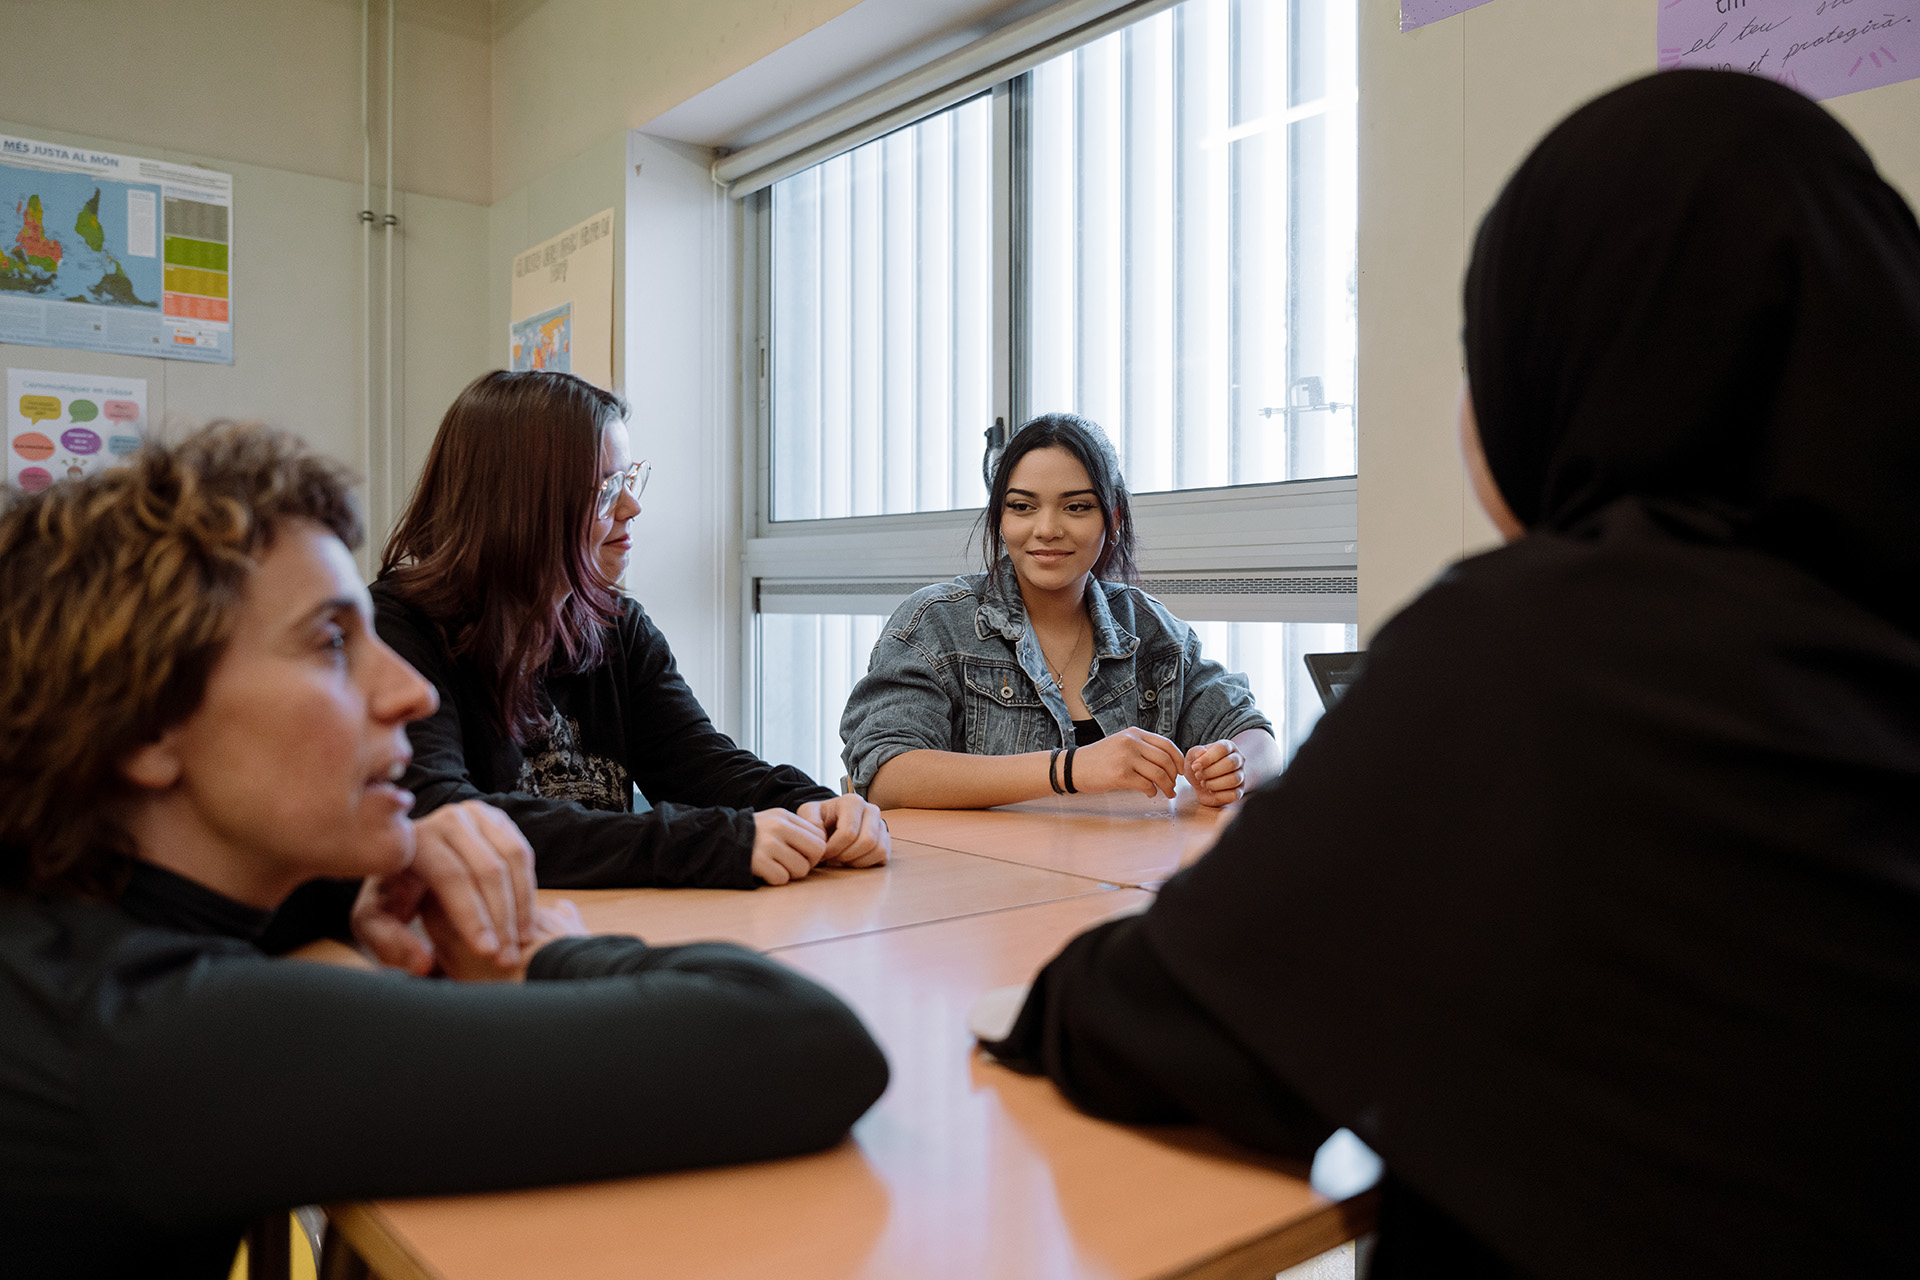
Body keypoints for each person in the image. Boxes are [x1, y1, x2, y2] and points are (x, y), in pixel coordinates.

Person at [982, 71, 1920, 1276]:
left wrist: (1249, 797)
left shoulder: (1541, 651)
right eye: (1021, 505)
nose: (1046, 530)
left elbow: (1159, 1022)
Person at [0, 424, 888, 1275]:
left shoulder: (61, 945)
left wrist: (342, 895)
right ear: (147, 726)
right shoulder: (141, 1040)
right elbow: (803, 1046)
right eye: (331, 645)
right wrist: (534, 954)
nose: (413, 694)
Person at [375, 370, 888, 889]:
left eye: (629, 480)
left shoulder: (617, 626)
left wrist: (818, 806)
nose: (632, 507)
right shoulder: (398, 632)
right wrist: (710, 842)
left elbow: (702, 765)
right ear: (521, 505)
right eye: (605, 490)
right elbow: (447, 817)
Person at [840, 412, 1278, 809]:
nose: (1047, 529)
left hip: (1121, 881)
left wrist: (1235, 765)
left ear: (1114, 519)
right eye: (1022, 507)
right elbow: (885, 773)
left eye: (1076, 507)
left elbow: (1251, 731)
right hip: (980, 885)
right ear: (1000, 517)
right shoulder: (936, 623)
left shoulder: (1151, 631)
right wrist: (1069, 769)